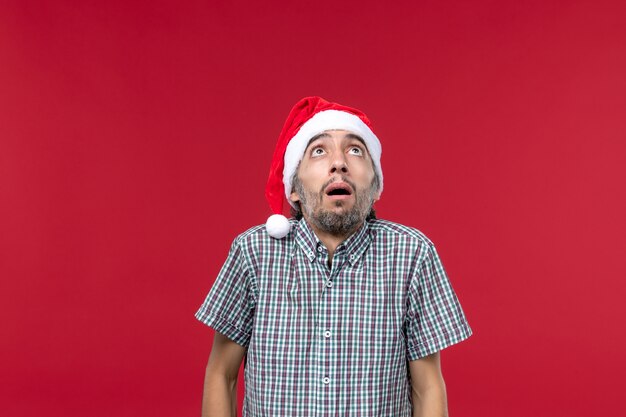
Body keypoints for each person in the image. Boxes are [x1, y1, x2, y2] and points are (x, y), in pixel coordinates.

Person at [195, 96, 473, 417]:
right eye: (319, 151)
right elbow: (222, 375)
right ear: (294, 188)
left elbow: (427, 387)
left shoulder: (412, 255)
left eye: (355, 150)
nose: (339, 162)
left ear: (376, 185)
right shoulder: (253, 253)